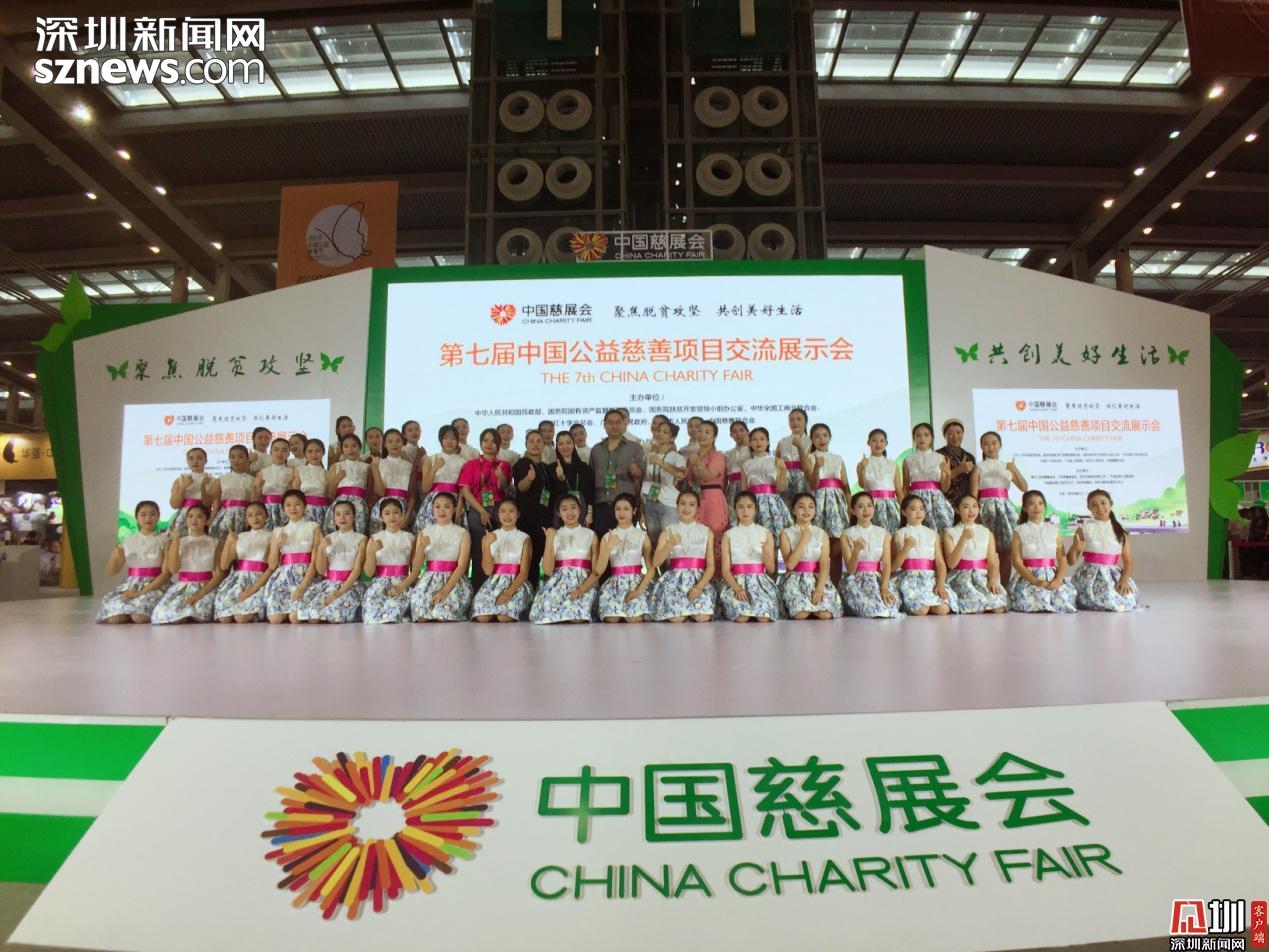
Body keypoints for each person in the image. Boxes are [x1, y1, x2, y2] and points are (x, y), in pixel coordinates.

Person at [529, 495, 599, 624]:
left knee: (577, 618)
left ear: (580, 510)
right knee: (550, 609)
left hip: (583, 583)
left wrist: (581, 589)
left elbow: (596, 572)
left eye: (573, 508)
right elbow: (547, 570)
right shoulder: (554, 534)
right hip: (558, 583)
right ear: (558, 513)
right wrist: (549, 540)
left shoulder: (590, 535)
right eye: (564, 509)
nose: (569, 512)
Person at [1067, 489, 1140, 611]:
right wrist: (1075, 547)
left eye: (1103, 503)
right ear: (1089, 508)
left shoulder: (1120, 530)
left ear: (1111, 504)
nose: (1100, 508)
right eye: (1094, 505)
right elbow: (1070, 561)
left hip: (1111, 576)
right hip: (1089, 576)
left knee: (1125, 600)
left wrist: (1124, 580)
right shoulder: (1084, 528)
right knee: (1099, 599)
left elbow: (1128, 562)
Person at [97, 500, 169, 623]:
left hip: (155, 585)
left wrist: (141, 592)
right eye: (143, 514)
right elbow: (111, 571)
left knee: (139, 617)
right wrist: (115, 556)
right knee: (115, 618)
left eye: (152, 514)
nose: (148, 518)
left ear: (158, 517)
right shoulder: (128, 541)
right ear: (136, 518)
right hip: (131, 585)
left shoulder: (165, 541)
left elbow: (166, 573)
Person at [649, 490, 716, 622]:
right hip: (674, 581)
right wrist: (669, 544)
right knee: (676, 618)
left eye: (691, 504)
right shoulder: (667, 531)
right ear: (677, 506)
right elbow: (656, 562)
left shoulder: (706, 532)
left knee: (702, 617)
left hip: (698, 580)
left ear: (698, 508)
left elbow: (711, 566)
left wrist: (699, 586)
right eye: (682, 503)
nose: (686, 508)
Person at [458, 428, 513, 587]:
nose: (489, 444)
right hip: (477, 509)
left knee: (499, 549)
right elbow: (465, 491)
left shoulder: (504, 465)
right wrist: (481, 510)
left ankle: (498, 587)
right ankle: (478, 588)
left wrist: (501, 478)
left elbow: (504, 489)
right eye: (486, 440)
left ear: (499, 444)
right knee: (478, 550)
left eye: (494, 441)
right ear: (481, 443)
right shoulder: (471, 465)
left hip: (499, 511)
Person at [150, 504, 222, 624]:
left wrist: (200, 594)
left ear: (207, 520)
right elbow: (173, 569)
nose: (194, 520)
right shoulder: (178, 542)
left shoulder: (215, 543)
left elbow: (219, 575)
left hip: (206, 587)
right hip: (183, 587)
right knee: (167, 616)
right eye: (190, 516)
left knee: (200, 617)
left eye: (199, 517)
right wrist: (176, 541)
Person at [972, 431, 1027, 585]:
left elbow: (1024, 487)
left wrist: (1014, 469)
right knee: (986, 549)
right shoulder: (978, 467)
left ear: (1000, 445)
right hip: (985, 509)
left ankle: (1004, 586)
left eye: (994, 443)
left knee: (1006, 551)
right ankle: (988, 585)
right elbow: (973, 495)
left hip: (1005, 510)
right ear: (981, 447)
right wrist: (975, 516)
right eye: (986, 444)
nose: (991, 447)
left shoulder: (1007, 466)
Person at [298, 500, 367, 623]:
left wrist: (338, 593)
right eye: (338, 514)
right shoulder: (329, 538)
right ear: (334, 518)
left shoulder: (361, 539)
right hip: (330, 584)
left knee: (334, 617)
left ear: (354, 517)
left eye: (347, 513)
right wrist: (321, 549)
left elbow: (357, 570)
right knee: (312, 618)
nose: (342, 518)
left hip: (350, 585)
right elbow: (320, 570)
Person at [409, 492, 473, 622]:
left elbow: (462, 566)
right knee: (421, 617)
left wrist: (444, 591)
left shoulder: (463, 533)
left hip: (454, 581)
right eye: (437, 507)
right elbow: (416, 567)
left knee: (442, 616)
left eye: (447, 507)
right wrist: (421, 547)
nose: (442, 511)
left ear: (454, 509)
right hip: (429, 580)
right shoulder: (424, 532)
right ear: (432, 509)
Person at [1009, 490, 1076, 613]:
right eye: (1032, 504)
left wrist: (1058, 580)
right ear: (1024, 508)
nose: (1037, 507)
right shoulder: (1019, 531)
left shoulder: (1054, 530)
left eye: (1040, 503)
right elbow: (1016, 561)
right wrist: (1035, 581)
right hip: (1028, 577)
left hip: (1052, 577)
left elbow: (1062, 558)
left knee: (1063, 598)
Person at [779, 494, 844, 620]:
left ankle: (815, 607)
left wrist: (819, 588)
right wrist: (803, 538)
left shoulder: (822, 533)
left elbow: (824, 564)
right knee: (801, 614)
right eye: (801, 507)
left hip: (817, 579)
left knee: (825, 614)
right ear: (793, 510)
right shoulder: (786, 533)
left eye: (811, 507)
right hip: (795, 580)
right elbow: (790, 564)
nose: (806, 510)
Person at [718, 491, 779, 623]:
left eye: (749, 506)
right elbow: (725, 570)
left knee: (763, 617)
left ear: (755, 509)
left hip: (760, 583)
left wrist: (765, 556)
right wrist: (738, 589)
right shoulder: (728, 535)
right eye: (740, 507)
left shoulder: (765, 533)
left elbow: (771, 569)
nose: (745, 511)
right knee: (742, 617)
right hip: (736, 583)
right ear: (735, 509)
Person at [892, 495, 956, 616]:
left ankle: (930, 602)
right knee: (921, 610)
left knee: (943, 609)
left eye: (921, 508)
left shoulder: (933, 534)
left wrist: (940, 584)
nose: (919, 512)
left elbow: (940, 563)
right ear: (904, 512)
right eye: (913, 509)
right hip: (908, 580)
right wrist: (906, 548)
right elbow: (893, 567)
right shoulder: (898, 535)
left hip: (928, 579)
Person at [942, 495, 1007, 614]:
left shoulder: (986, 532)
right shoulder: (950, 533)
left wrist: (993, 580)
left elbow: (992, 562)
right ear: (957, 510)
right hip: (961, 577)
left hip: (982, 576)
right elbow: (951, 564)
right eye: (966, 507)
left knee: (998, 608)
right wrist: (963, 538)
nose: (971, 510)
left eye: (974, 506)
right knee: (973, 605)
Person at [471, 499, 534, 622]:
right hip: (494, 582)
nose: (507, 515)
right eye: (503, 511)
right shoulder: (490, 536)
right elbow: (488, 571)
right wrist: (487, 546)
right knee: (482, 617)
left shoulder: (524, 538)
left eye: (511, 511)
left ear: (518, 514)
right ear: (498, 514)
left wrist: (509, 593)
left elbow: (524, 573)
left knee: (503, 617)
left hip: (516, 583)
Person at [595, 493, 654, 623]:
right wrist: (608, 546)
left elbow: (651, 569)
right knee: (611, 619)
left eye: (626, 509)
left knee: (634, 619)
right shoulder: (607, 537)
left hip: (636, 583)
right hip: (615, 584)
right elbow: (599, 570)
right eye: (618, 509)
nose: (622, 513)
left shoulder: (642, 536)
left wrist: (638, 591)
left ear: (634, 511)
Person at [839, 491, 899, 619]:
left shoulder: (883, 533)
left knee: (890, 607)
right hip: (856, 581)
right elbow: (850, 569)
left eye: (869, 505)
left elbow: (886, 564)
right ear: (853, 510)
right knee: (872, 610)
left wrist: (884, 587)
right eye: (860, 506)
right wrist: (856, 551)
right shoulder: (846, 534)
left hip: (878, 579)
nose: (866, 510)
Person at [802, 422, 849, 586]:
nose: (821, 439)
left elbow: (846, 485)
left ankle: (835, 586)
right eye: (817, 436)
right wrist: (817, 466)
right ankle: (817, 585)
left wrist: (849, 506)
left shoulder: (838, 458)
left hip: (836, 504)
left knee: (836, 548)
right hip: (818, 503)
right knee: (816, 546)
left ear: (830, 437)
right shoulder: (809, 458)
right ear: (811, 440)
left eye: (825, 435)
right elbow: (813, 484)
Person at [213, 501, 274, 623]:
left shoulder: (272, 536)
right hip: (238, 580)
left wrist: (251, 590)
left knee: (241, 618)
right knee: (224, 618)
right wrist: (229, 542)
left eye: (258, 514)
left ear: (266, 516)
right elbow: (224, 565)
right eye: (250, 515)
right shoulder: (240, 536)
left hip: (260, 580)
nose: (254, 518)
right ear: (245, 518)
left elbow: (272, 567)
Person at [264, 490, 320, 624]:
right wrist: (277, 545)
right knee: (275, 619)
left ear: (305, 506)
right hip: (284, 577)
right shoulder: (278, 531)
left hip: (307, 575)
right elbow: (272, 565)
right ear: (283, 508)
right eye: (288, 505)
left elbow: (315, 560)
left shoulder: (313, 527)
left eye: (297, 504)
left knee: (295, 617)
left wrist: (302, 587)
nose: (293, 508)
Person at [590, 408, 646, 538]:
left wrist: (636, 472)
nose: (614, 426)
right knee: (603, 542)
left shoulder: (635, 448)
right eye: (610, 422)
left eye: (618, 422)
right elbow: (591, 477)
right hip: (601, 505)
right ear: (604, 425)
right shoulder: (596, 450)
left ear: (624, 423)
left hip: (625, 506)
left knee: (626, 544)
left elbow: (642, 477)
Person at [361, 497, 415, 624]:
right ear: (381, 516)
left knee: (395, 607)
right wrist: (371, 553)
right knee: (372, 605)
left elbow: (415, 568)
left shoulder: (410, 538)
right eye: (387, 513)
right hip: (380, 583)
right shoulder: (375, 538)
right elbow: (367, 574)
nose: (392, 517)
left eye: (396, 512)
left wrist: (405, 585)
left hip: (402, 583)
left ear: (402, 515)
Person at [684, 420, 728, 564]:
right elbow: (690, 480)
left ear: (714, 437)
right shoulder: (692, 456)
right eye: (700, 431)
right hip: (695, 499)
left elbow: (708, 476)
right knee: (697, 536)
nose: (702, 435)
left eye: (707, 432)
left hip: (713, 498)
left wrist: (697, 462)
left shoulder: (718, 456)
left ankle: (717, 574)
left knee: (714, 534)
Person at [511, 430, 552, 580]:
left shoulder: (545, 467)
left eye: (539, 441)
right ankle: (525, 589)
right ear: (526, 444)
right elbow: (521, 487)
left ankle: (535, 589)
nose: (535, 444)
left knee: (539, 557)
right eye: (531, 441)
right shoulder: (522, 463)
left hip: (543, 518)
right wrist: (529, 479)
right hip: (527, 519)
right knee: (528, 559)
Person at [903, 422, 955, 533]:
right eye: (918, 435)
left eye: (926, 435)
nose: (922, 438)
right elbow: (906, 487)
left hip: (936, 500)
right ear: (914, 439)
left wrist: (948, 474)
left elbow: (945, 488)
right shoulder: (908, 460)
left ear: (932, 438)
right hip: (915, 501)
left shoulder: (940, 458)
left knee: (939, 533)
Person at [641, 420, 685, 551]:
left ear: (672, 437)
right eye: (658, 431)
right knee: (654, 543)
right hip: (650, 502)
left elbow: (681, 474)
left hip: (669, 503)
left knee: (669, 542)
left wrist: (661, 463)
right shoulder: (649, 456)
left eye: (665, 432)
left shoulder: (677, 457)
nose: (660, 434)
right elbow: (644, 481)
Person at [741, 427, 792, 536]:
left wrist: (783, 469)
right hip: (752, 504)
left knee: (773, 536)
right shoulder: (746, 464)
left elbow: (782, 488)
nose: (758, 442)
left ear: (768, 442)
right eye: (754, 439)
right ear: (750, 443)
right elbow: (743, 491)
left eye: (762, 439)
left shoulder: (776, 461)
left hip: (772, 503)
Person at [417, 425, 466, 531]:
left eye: (453, 438)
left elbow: (463, 489)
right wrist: (435, 468)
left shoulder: (463, 462)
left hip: (454, 502)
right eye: (446, 438)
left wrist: (459, 507)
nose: (449, 441)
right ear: (440, 440)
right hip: (434, 503)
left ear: (457, 441)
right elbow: (425, 488)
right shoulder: (430, 459)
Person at [857, 428, 902, 534]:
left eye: (882, 441)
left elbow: (898, 489)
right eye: (874, 440)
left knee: (892, 535)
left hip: (891, 506)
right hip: (871, 506)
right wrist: (863, 468)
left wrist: (904, 508)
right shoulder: (862, 464)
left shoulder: (892, 464)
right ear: (868, 443)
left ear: (886, 443)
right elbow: (862, 484)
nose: (878, 444)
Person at [369, 428, 415, 533]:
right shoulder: (378, 463)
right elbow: (380, 492)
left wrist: (407, 517)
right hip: (383, 508)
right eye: (390, 441)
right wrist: (375, 467)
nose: (394, 444)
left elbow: (412, 496)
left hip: (403, 508)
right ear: (384, 444)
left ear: (403, 443)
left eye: (398, 441)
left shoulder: (409, 466)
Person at [324, 434, 370, 535]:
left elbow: (370, 492)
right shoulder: (335, 466)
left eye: (354, 446)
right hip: (340, 505)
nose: (350, 449)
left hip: (360, 506)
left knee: (358, 534)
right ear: (342, 449)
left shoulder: (367, 467)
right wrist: (338, 479)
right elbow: (330, 494)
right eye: (346, 446)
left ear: (360, 447)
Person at [206, 444, 255, 540]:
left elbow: (256, 503)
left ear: (247, 459)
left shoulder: (253, 480)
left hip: (246, 517)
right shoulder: (221, 479)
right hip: (226, 517)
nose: (236, 460)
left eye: (240, 457)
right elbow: (212, 503)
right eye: (232, 457)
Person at [548, 431, 594, 527]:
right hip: (561, 516)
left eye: (568, 443)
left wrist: (590, 514)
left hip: (582, 512)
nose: (565, 447)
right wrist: (561, 479)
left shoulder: (584, 467)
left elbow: (590, 492)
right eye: (561, 444)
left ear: (574, 444)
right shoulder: (551, 469)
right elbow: (551, 497)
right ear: (557, 447)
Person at [167, 446, 209, 537]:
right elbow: (174, 505)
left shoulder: (212, 480)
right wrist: (183, 487)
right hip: (183, 518)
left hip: (203, 519)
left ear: (206, 460)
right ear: (187, 461)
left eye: (199, 458)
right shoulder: (180, 479)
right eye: (191, 458)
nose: (195, 461)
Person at [937, 419, 976, 512]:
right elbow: (937, 482)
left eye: (958, 432)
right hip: (945, 504)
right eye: (950, 434)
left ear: (963, 433)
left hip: (966, 505)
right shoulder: (938, 455)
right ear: (944, 436)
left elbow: (974, 483)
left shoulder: (969, 457)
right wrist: (959, 469)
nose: (955, 437)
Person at [775, 408, 812, 504]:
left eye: (799, 419)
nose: (795, 422)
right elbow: (776, 464)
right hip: (785, 479)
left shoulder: (810, 441)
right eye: (791, 420)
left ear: (805, 422)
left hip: (803, 478)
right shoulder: (782, 441)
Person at [256, 438, 294, 528]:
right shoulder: (262, 472)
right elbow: (257, 496)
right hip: (266, 510)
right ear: (270, 452)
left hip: (286, 510)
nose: (279, 453)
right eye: (276, 449)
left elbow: (294, 495)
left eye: (284, 450)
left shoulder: (292, 472)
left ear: (289, 453)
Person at [295, 438, 329, 526]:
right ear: (305, 454)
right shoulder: (299, 470)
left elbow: (329, 496)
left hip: (323, 511)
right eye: (310, 451)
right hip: (304, 511)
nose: (314, 454)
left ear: (323, 453)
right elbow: (295, 494)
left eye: (317, 451)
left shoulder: (327, 473)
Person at [723, 420, 751, 523]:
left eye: (741, 430)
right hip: (732, 488)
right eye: (734, 432)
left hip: (748, 486)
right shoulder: (728, 454)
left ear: (748, 431)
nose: (738, 433)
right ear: (731, 435)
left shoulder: (753, 450)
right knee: (733, 517)